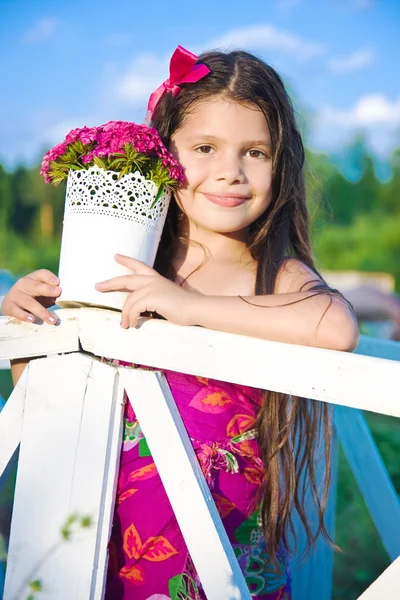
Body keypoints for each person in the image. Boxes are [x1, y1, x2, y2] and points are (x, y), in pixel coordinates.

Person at [1, 46, 359, 599]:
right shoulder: (124, 262)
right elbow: (49, 397)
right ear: (162, 154)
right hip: (105, 544)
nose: (230, 172)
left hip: (224, 557)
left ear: (281, 162)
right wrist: (29, 326)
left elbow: (336, 325)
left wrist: (188, 309)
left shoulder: (274, 275)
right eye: (205, 148)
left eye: (255, 152)